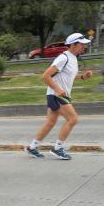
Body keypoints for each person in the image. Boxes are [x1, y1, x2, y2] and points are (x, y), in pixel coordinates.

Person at [25, 32, 93, 160]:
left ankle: (32, 147)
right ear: (73, 45)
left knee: (50, 122)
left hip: (57, 94)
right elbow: (45, 76)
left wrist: (83, 77)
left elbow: (68, 76)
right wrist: (57, 89)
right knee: (73, 119)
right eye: (82, 45)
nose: (84, 47)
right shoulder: (63, 58)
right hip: (56, 94)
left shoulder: (73, 58)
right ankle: (58, 148)